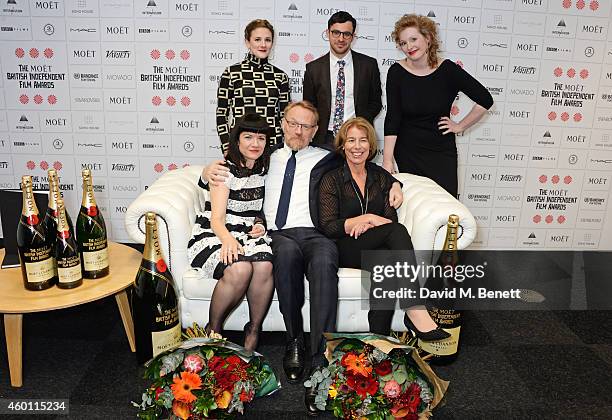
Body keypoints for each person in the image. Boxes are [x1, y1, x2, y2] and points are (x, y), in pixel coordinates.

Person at [204, 101, 404, 416]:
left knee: (326, 264)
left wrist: (395, 183)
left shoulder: (327, 156)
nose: (299, 131)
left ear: (315, 130)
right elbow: (230, 168)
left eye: (306, 126)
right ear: (283, 124)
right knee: (283, 260)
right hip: (279, 233)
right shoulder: (266, 156)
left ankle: (320, 357)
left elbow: (362, 159)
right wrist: (207, 170)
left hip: (318, 233)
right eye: (294, 124)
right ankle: (293, 340)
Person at [318, 117, 451, 339]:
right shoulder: (331, 179)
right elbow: (328, 226)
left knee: (385, 264)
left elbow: (390, 221)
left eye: (362, 140)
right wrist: (365, 218)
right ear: (342, 145)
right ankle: (414, 307)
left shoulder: (380, 177)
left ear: (371, 145)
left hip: (372, 243)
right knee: (396, 233)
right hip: (343, 246)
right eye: (351, 140)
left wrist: (373, 219)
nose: (357, 146)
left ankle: (376, 342)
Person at [187, 114, 274, 353]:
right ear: (236, 141)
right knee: (240, 268)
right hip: (217, 232)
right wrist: (227, 240)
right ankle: (213, 330)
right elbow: (216, 219)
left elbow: (259, 211)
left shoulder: (265, 170)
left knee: (265, 266)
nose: (255, 144)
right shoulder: (223, 171)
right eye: (248, 137)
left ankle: (254, 329)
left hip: (248, 234)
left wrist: (260, 224)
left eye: (260, 138)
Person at [382, 14, 493, 197]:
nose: (409, 47)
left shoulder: (448, 70)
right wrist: (387, 160)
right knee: (415, 207)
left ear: (428, 38)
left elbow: (485, 99)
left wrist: (459, 126)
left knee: (445, 206)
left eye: (413, 39)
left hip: (441, 151)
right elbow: (393, 117)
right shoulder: (396, 72)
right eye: (403, 43)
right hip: (408, 151)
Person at [303, 11, 382, 145]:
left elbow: (375, 102)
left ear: (353, 37)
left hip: (358, 137)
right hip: (324, 138)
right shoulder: (313, 68)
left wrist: (360, 124)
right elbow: (309, 106)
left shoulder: (369, 65)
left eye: (346, 34)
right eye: (336, 33)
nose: (341, 39)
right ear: (328, 33)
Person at [216, 19, 290, 155]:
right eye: (257, 39)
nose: (263, 44)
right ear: (247, 42)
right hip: (240, 144)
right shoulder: (232, 73)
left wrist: (283, 147)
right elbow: (221, 114)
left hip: (272, 145)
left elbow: (284, 117)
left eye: (268, 40)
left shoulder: (280, 76)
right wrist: (227, 146)